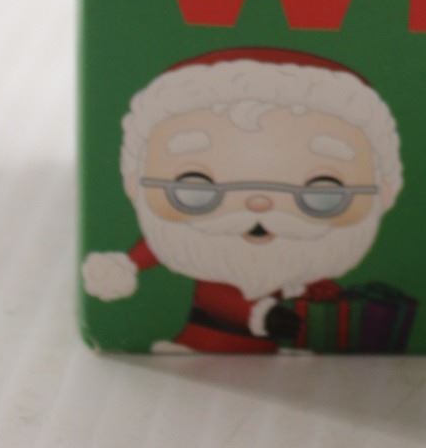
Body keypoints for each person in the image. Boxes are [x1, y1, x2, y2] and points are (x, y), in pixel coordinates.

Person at [81, 46, 407, 353]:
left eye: (322, 192)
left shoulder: (289, 267)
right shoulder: (215, 262)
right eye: (196, 188)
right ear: (135, 182)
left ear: (385, 189)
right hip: (199, 352)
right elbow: (222, 302)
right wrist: (268, 316)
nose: (258, 205)